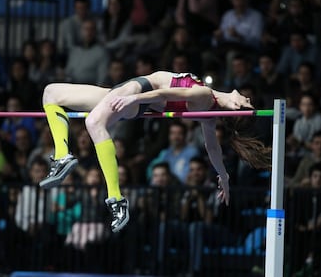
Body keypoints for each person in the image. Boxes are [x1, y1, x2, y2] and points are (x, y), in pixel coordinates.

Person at [40, 71, 270, 232]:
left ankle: (116, 198)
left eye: (248, 103)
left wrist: (133, 97)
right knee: (51, 93)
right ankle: (62, 154)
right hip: (134, 94)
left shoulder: (204, 96)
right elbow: (212, 148)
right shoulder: (209, 114)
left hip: (141, 90)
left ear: (238, 107)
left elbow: (163, 94)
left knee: (93, 123)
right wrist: (224, 176)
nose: (248, 98)